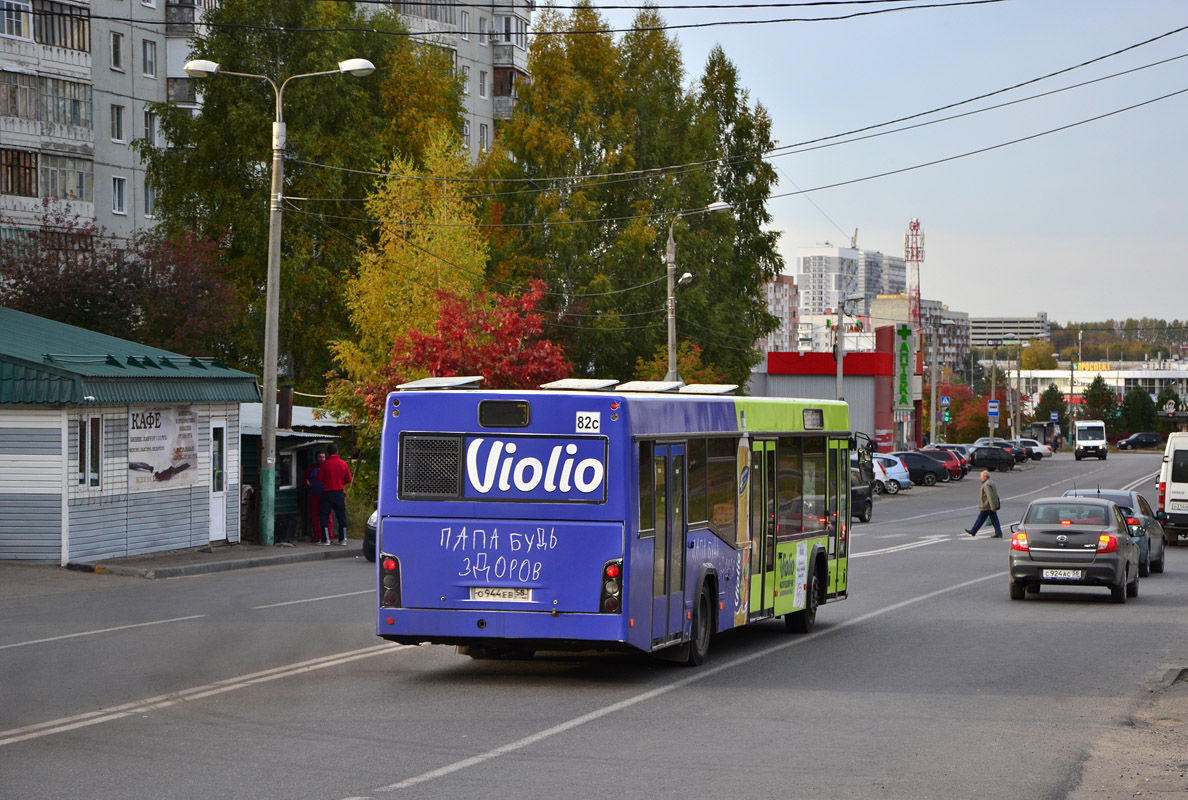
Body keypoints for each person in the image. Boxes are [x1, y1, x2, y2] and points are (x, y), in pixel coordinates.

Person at [318, 443, 353, 546]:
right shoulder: (343, 463)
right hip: (339, 493)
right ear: (337, 452)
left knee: (324, 517)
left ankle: (326, 540)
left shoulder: (325, 464)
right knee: (341, 517)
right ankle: (343, 539)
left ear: (328, 453)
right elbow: (348, 479)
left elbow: (319, 479)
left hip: (327, 493)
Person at [965, 470, 1003, 538]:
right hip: (990, 505)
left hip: (987, 505)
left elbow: (989, 496)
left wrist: (992, 506)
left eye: (982, 476)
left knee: (981, 519)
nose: (981, 478)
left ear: (985, 477)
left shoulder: (986, 484)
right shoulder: (991, 482)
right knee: (994, 519)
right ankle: (998, 532)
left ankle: (973, 531)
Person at [303, 451, 329, 542]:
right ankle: (317, 535)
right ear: (316, 458)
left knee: (327, 515)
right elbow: (305, 478)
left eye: (323, 457)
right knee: (315, 515)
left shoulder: (328, 468)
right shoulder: (311, 468)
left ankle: (328, 535)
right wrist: (307, 482)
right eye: (319, 457)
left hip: (326, 494)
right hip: (314, 494)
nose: (321, 459)